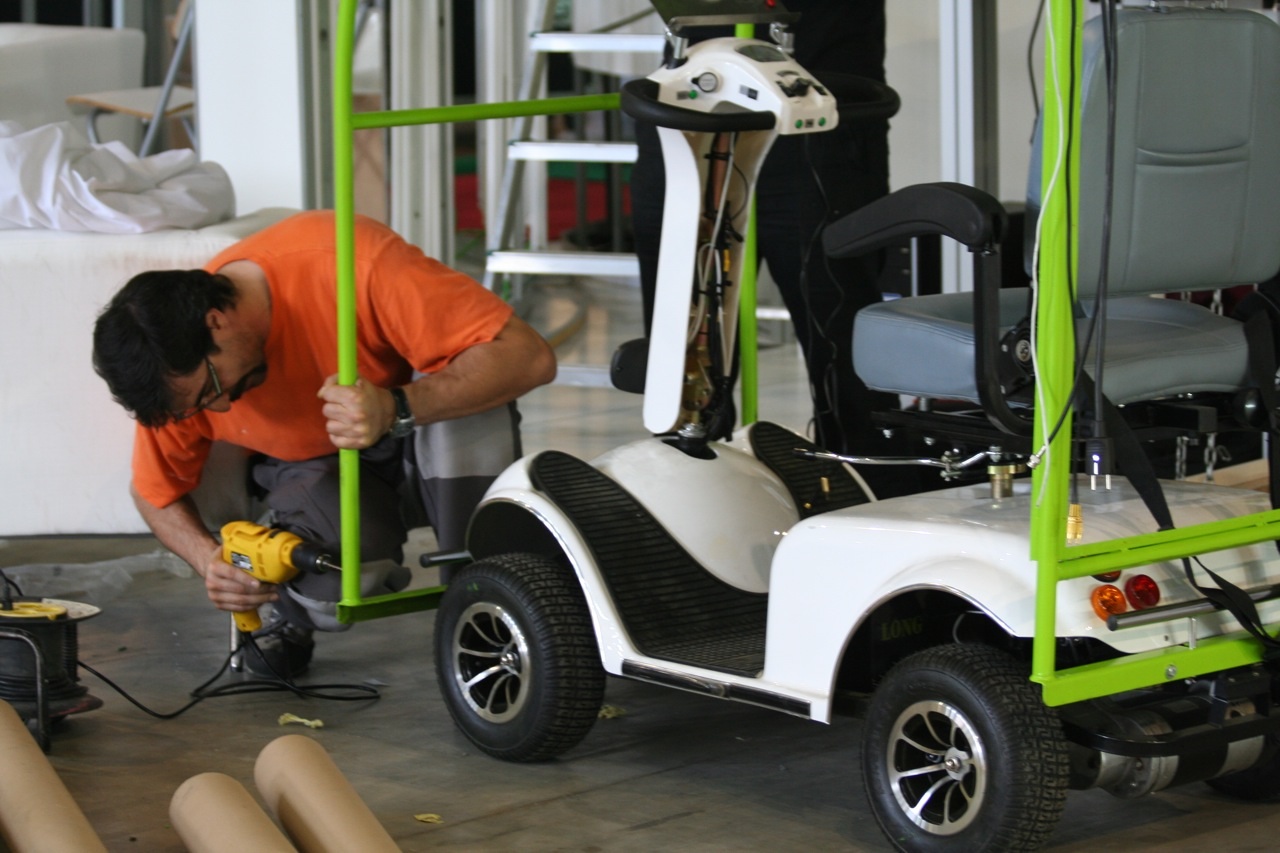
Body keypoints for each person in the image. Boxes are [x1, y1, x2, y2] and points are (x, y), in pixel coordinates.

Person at [92, 210, 556, 676]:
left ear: (216, 323)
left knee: (477, 410)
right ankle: (295, 614)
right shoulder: (175, 378)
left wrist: (398, 405)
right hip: (315, 465)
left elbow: (529, 356)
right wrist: (209, 559)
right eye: (198, 407)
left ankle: (487, 605)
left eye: (211, 389)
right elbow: (154, 492)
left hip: (420, 434)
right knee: (335, 590)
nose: (217, 411)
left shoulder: (348, 260)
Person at [629, 0, 900, 467]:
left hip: (818, 117)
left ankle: (869, 481)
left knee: (839, 338)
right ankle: (692, 473)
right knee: (684, 338)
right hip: (699, 105)